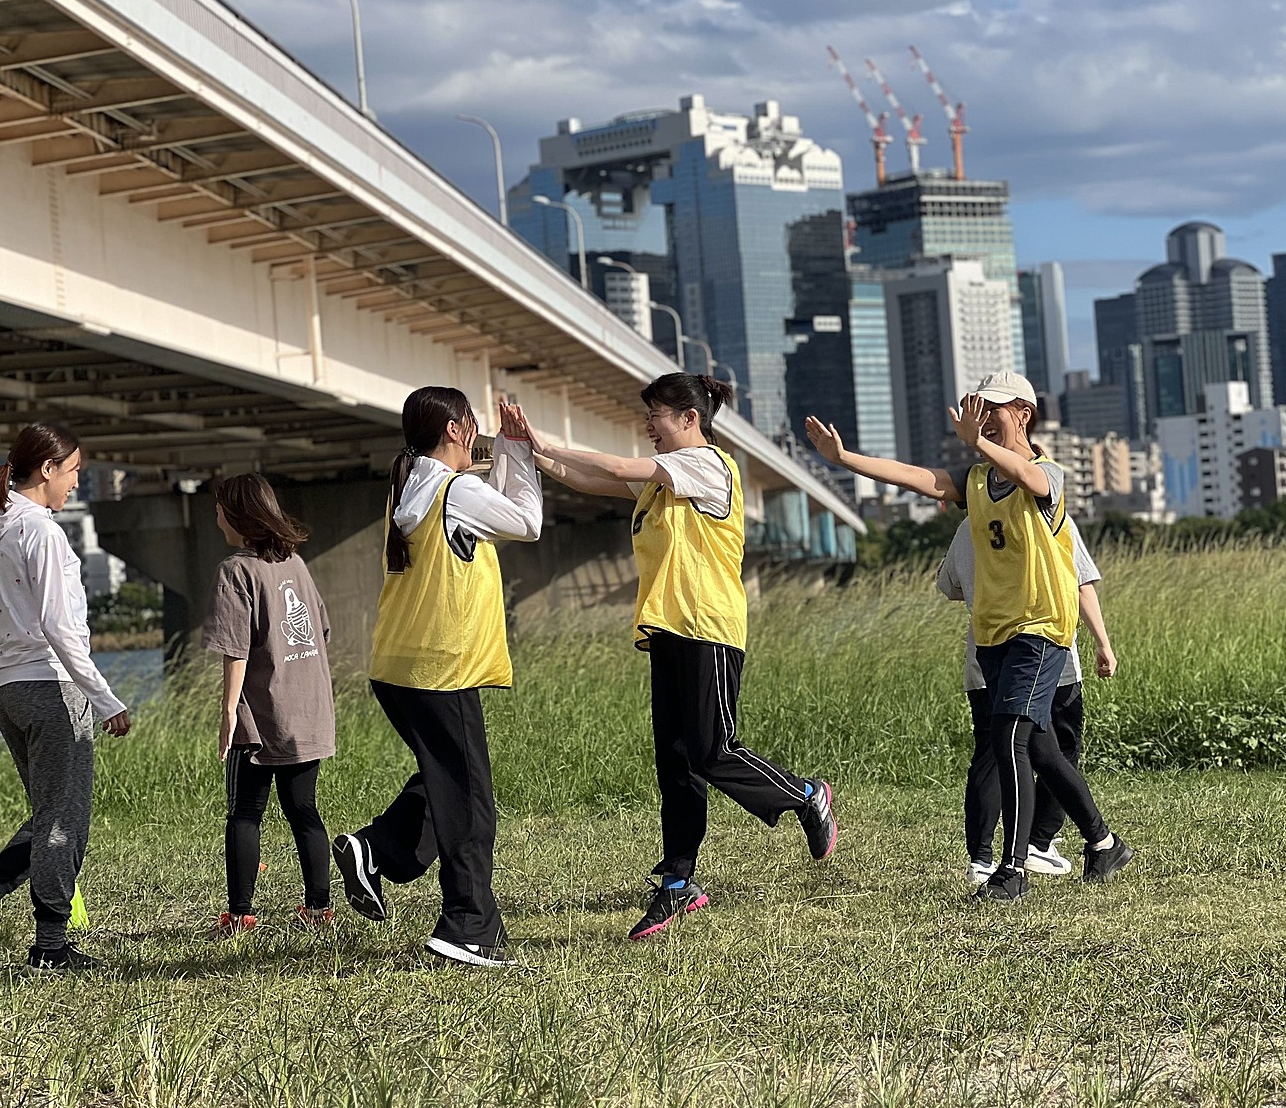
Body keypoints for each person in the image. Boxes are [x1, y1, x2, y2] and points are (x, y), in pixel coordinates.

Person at [514, 373, 837, 941]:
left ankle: (807, 796)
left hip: (708, 628)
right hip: (668, 629)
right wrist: (528, 452)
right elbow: (589, 479)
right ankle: (677, 883)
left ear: (689, 419)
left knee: (714, 750)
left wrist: (542, 440)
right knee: (677, 762)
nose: (648, 429)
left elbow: (614, 468)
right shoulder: (664, 486)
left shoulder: (708, 465)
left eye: (656, 418)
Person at [807, 371, 1132, 903]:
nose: (980, 419)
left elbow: (1030, 477)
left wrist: (976, 441)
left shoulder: (1048, 473)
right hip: (993, 634)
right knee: (1043, 749)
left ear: (1023, 414)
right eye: (974, 410)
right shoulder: (977, 480)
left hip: (1041, 629)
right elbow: (914, 476)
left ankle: (1011, 870)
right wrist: (844, 460)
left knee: (1008, 736)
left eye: (991, 410)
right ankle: (1103, 842)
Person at [329, 389, 541, 969]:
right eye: (472, 424)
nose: (476, 434)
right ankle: (467, 927)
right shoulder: (455, 490)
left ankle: (375, 850)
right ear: (455, 428)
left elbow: (486, 505)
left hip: (398, 669)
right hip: (438, 670)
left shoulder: (413, 486)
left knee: (447, 781)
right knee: (470, 801)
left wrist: (504, 453)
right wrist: (518, 450)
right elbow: (526, 522)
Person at [0, 423, 131, 973]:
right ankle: (44, 943)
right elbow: (58, 625)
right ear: (47, 469)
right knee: (65, 821)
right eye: (73, 472)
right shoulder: (43, 534)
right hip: (51, 688)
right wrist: (104, 696)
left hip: (9, 689)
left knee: (49, 814)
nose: (76, 483)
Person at [936, 515, 1118, 883]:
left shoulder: (968, 527)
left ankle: (985, 860)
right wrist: (1103, 642)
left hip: (984, 654)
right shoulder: (1047, 520)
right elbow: (1080, 582)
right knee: (1055, 749)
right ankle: (1037, 847)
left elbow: (949, 585)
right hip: (1047, 654)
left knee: (994, 752)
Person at [201, 473, 336, 938]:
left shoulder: (235, 570)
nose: (215, 515)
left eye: (219, 508)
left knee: (244, 812)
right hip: (308, 711)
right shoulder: (295, 564)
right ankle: (318, 909)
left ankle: (239, 915)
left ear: (237, 516)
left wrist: (227, 715)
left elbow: (235, 650)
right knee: (304, 810)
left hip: (260, 719)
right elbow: (321, 631)